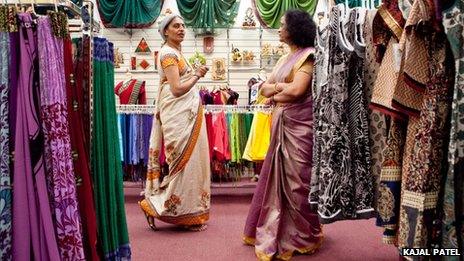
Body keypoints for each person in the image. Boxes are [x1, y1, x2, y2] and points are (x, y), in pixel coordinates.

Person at [242, 10, 323, 260]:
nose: (278, 29)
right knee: (277, 181)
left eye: (282, 25)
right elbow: (264, 87)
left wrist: (274, 92)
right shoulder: (285, 59)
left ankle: (301, 235)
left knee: (299, 181)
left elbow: (298, 90)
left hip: (301, 127)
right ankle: (279, 230)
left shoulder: (308, 56)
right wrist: (278, 91)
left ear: (294, 29)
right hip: (282, 124)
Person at [139, 14, 211, 232]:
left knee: (192, 165)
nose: (181, 29)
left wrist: (195, 75)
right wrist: (197, 75)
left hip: (186, 114)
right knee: (182, 165)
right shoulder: (168, 54)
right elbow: (177, 89)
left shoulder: (177, 53)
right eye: (176, 26)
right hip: (178, 116)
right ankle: (158, 207)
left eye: (183, 26)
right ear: (165, 31)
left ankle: (187, 212)